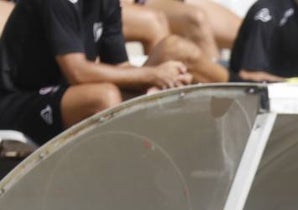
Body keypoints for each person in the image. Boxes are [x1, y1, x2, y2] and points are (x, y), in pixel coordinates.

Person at [0, 0, 200, 145]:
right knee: (103, 97)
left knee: (175, 51)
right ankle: (127, 170)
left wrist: (164, 81)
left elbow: (120, 66)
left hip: (66, 93)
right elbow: (77, 72)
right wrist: (152, 75)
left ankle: (229, 84)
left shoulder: (107, 3)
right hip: (16, 102)